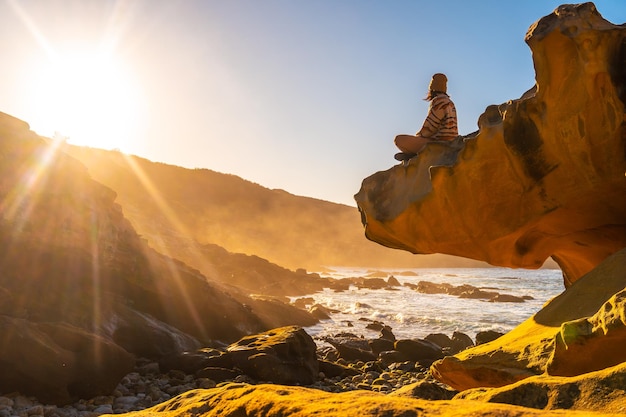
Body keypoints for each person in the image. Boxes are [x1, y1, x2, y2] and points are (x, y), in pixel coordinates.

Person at [394, 73, 458, 161]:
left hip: (439, 144)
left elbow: (429, 128)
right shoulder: (450, 102)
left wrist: (418, 137)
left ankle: (414, 155)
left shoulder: (438, 101)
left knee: (399, 140)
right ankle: (412, 154)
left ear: (432, 88)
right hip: (451, 142)